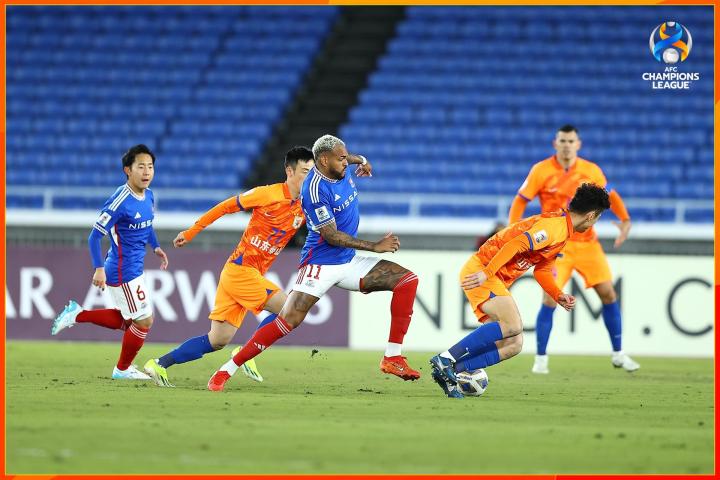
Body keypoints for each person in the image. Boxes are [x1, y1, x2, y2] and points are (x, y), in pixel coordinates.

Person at [207, 134, 421, 392]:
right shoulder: (315, 190)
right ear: (324, 160)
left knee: (407, 280)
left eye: (346, 157)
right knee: (288, 320)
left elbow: (349, 158)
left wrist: (362, 160)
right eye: (341, 159)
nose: (346, 162)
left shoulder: (339, 166)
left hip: (348, 260)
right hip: (320, 264)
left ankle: (392, 357)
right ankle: (227, 369)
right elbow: (331, 236)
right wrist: (375, 246)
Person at [143, 147, 315, 387]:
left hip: (239, 273)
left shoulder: (305, 205)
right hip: (241, 271)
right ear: (289, 171)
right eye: (305, 172)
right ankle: (245, 353)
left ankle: (159, 364)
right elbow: (225, 206)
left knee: (217, 339)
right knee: (290, 309)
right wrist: (192, 232)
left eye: (312, 172)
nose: (310, 177)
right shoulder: (267, 194)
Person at [430, 183, 611, 398]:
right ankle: (446, 359)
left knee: (513, 344)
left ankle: (453, 371)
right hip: (482, 270)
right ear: (591, 216)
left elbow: (543, 270)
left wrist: (557, 294)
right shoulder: (554, 227)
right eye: (598, 218)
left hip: (491, 275)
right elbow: (516, 244)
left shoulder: (562, 231)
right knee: (512, 325)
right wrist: (487, 272)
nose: (595, 223)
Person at [508, 125, 639, 374]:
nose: (567, 145)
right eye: (563, 141)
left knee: (609, 294)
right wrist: (514, 229)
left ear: (578, 144)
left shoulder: (591, 170)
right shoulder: (541, 170)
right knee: (550, 297)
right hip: (558, 243)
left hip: (588, 244)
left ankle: (618, 354)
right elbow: (520, 200)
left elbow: (610, 195)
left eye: (571, 141)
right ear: (555, 143)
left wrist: (624, 219)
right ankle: (541, 359)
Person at [50, 144, 168, 380]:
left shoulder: (149, 195)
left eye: (150, 167)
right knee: (144, 321)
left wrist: (155, 246)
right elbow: (94, 236)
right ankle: (122, 369)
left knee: (129, 320)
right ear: (128, 170)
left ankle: (77, 314)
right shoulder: (120, 201)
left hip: (134, 267)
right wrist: (98, 269)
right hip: (122, 270)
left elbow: (148, 224)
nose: (147, 172)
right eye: (141, 167)